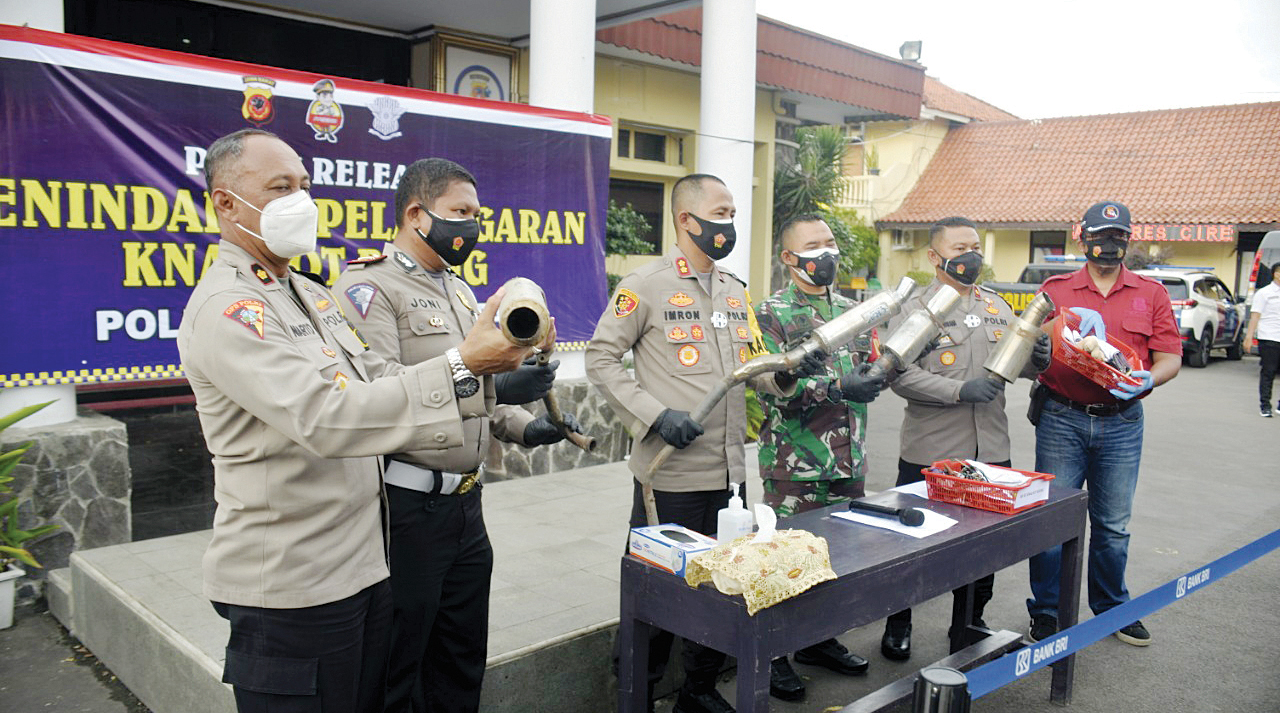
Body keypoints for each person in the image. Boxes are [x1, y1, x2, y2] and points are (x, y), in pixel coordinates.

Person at [177, 130, 532, 713]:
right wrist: (463, 364)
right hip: (293, 584)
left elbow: (376, 382)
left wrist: (486, 380)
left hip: (360, 565)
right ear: (224, 203)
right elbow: (328, 418)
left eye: (305, 187)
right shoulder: (231, 308)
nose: (301, 202)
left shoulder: (308, 296)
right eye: (280, 187)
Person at [333, 158, 580, 713]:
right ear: (417, 214)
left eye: (476, 214)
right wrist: (481, 376)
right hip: (406, 508)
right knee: (401, 660)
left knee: (461, 656)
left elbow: (477, 394)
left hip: (466, 507)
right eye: (460, 212)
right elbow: (380, 390)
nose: (471, 225)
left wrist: (526, 424)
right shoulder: (368, 286)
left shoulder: (463, 292)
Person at [586, 174, 813, 713]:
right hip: (670, 478)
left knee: (722, 590)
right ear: (686, 220)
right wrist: (656, 415)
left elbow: (754, 367)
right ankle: (635, 696)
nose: (729, 223)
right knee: (656, 598)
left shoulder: (735, 291)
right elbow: (599, 359)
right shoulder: (645, 285)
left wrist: (788, 374)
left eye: (733, 213)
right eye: (721, 212)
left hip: (730, 475)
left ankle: (698, 691)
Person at [878, 216, 1052, 661]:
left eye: (975, 245)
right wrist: (958, 390)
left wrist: (1039, 359)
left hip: (990, 451)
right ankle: (899, 623)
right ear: (935, 257)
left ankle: (968, 623)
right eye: (960, 248)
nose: (971, 255)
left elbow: (1017, 362)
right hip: (930, 451)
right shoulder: (915, 310)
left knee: (983, 548)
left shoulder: (997, 306)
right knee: (911, 544)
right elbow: (900, 375)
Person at [1025, 200, 1182, 647]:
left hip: (1122, 421)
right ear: (1083, 238)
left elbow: (1170, 357)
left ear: (1128, 240)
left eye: (1117, 237)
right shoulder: (1056, 290)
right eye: (1100, 236)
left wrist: (1151, 377)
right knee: (1052, 521)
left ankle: (1111, 607)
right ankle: (1047, 613)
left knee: (1113, 525)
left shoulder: (1151, 294)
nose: (1108, 246)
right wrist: (1045, 338)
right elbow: (1027, 341)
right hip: (1062, 418)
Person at [751, 214, 882, 700]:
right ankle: (776, 655)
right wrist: (837, 385)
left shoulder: (855, 311)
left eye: (830, 243)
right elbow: (769, 387)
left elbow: (867, 372)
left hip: (849, 461)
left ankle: (819, 640)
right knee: (786, 559)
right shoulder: (769, 314)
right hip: (795, 466)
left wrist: (879, 373)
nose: (826, 253)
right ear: (789, 257)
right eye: (813, 245)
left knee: (835, 557)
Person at [1243, 262, 1280, 417]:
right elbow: (1255, 316)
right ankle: (1265, 405)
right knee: (1269, 371)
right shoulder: (1264, 293)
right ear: (1275, 274)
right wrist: (1248, 338)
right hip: (1269, 337)